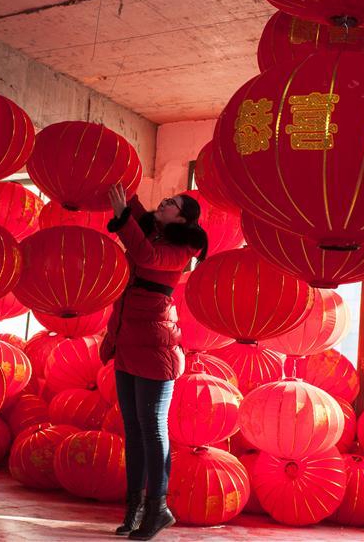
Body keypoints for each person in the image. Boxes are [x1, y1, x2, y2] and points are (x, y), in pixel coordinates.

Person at [101, 184, 208, 540]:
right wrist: (123, 188)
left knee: (152, 429)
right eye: (165, 199)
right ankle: (133, 508)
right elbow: (137, 215)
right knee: (132, 430)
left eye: (172, 204)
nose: (163, 203)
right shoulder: (150, 230)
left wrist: (123, 217)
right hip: (129, 342)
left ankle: (157, 508)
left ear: (182, 218)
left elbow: (146, 257)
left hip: (157, 348)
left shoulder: (180, 248)